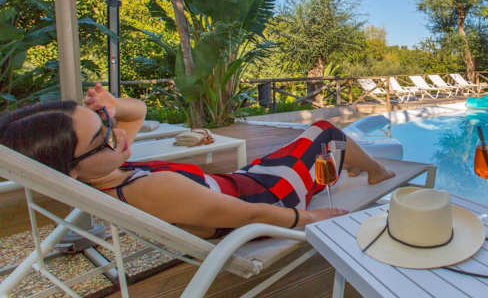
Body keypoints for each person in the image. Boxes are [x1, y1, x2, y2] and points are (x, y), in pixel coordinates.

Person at [0, 83, 395, 238]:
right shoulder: (152, 188)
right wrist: (310, 219)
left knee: (309, 141)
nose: (117, 133)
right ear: (70, 169)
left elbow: (136, 113)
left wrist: (112, 106)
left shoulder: (107, 172)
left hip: (243, 180)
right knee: (325, 131)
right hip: (270, 198)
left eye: (106, 123)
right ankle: (377, 171)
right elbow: (248, 215)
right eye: (102, 136)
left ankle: (350, 163)